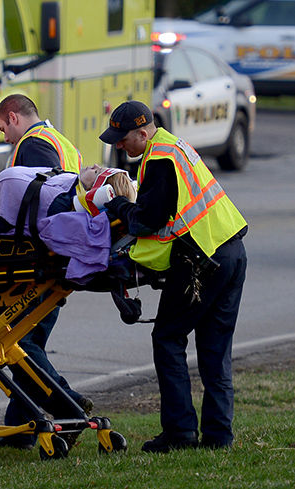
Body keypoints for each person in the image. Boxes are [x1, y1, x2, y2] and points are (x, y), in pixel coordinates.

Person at [99, 100, 248, 453]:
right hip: (230, 251)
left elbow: (146, 220)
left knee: (167, 338)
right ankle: (218, 437)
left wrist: (115, 203)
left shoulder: (160, 158)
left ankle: (180, 433)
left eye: (123, 139)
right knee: (214, 349)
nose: (119, 146)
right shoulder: (174, 147)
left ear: (142, 131)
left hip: (200, 261)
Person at [0, 94, 90, 450]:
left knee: (19, 342)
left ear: (12, 117)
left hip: (33, 264)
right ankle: (22, 428)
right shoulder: (58, 141)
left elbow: (38, 202)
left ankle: (66, 401)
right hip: (56, 257)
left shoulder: (34, 146)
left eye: (2, 129)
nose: (4, 138)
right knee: (25, 345)